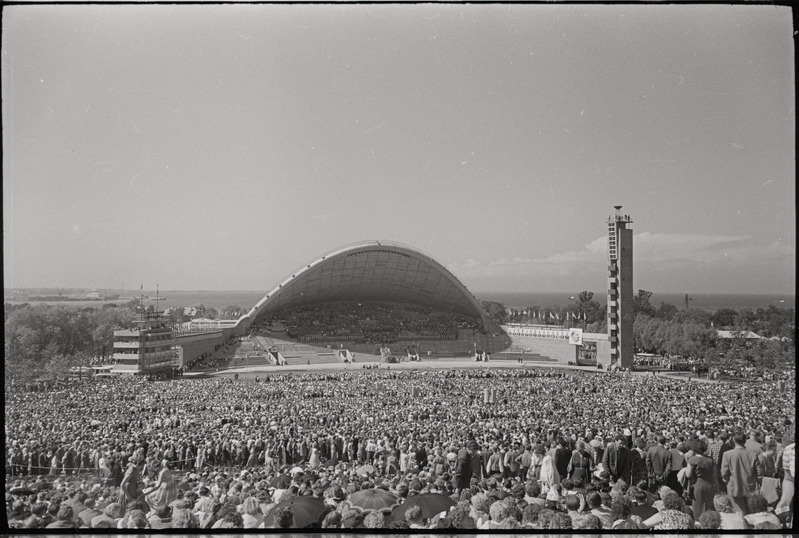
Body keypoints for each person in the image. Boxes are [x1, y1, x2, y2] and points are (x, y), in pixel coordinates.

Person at [721, 430, 759, 514]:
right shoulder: (752, 454)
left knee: (738, 512)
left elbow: (724, 472)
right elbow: (759, 473)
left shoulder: (727, 454)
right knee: (751, 512)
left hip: (734, 487)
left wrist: (726, 480)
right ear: (745, 441)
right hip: (750, 486)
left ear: (733, 440)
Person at [685, 438, 716, 519]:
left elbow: (688, 475)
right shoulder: (710, 460)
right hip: (709, 483)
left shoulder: (692, 460)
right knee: (708, 505)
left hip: (697, 484)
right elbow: (714, 474)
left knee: (698, 505)